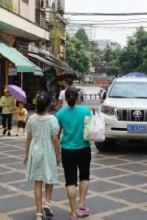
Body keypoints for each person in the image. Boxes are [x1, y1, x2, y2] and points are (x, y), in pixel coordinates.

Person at [56, 87, 93, 219]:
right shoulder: (86, 110)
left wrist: (57, 153)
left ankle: (72, 212)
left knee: (70, 181)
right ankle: (82, 205)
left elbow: (57, 133)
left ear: (65, 99)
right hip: (84, 148)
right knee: (84, 177)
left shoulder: (60, 113)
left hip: (67, 150)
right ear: (78, 97)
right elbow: (89, 130)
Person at [24, 92, 61, 219]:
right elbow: (55, 140)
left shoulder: (31, 119)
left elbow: (28, 138)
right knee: (49, 179)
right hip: (48, 152)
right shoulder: (53, 119)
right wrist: (58, 155)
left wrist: (26, 154)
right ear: (48, 105)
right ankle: (47, 203)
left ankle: (39, 213)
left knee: (38, 182)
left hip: (35, 151)